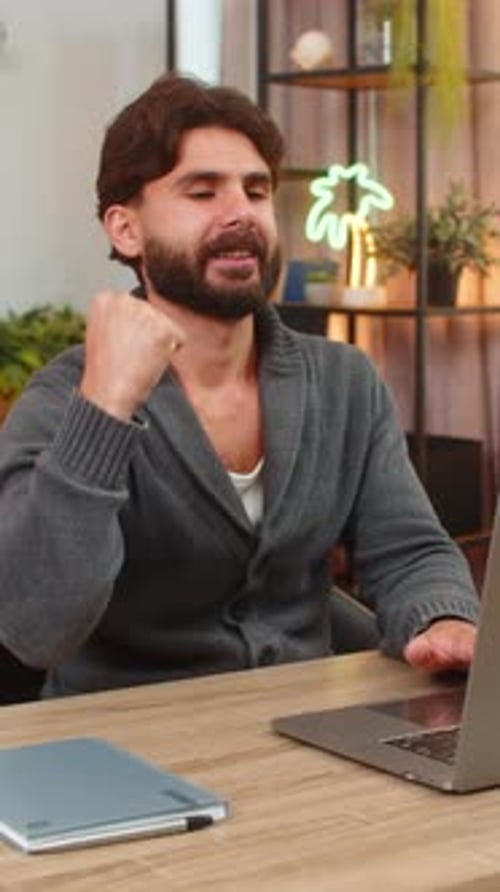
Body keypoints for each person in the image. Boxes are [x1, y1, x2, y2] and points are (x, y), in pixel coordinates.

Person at [0, 73, 478, 698]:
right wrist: (107, 407)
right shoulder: (64, 399)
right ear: (126, 230)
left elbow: (410, 550)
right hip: (119, 750)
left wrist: (443, 619)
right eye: (202, 193)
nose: (240, 214)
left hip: (305, 729)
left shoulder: (344, 382)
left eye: (256, 191)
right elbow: (38, 626)